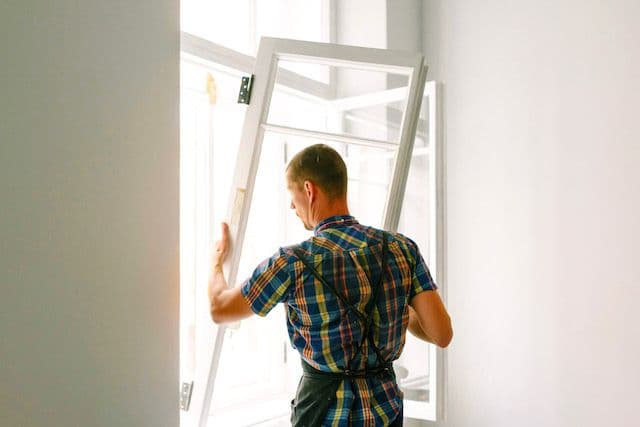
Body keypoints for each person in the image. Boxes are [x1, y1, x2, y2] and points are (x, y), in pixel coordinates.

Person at [208, 144, 452, 426]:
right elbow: (442, 334)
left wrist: (216, 263)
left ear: (309, 190)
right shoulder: (401, 248)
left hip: (323, 415)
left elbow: (219, 309)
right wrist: (399, 310)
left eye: (292, 194)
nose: (291, 205)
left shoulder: (292, 263)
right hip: (385, 412)